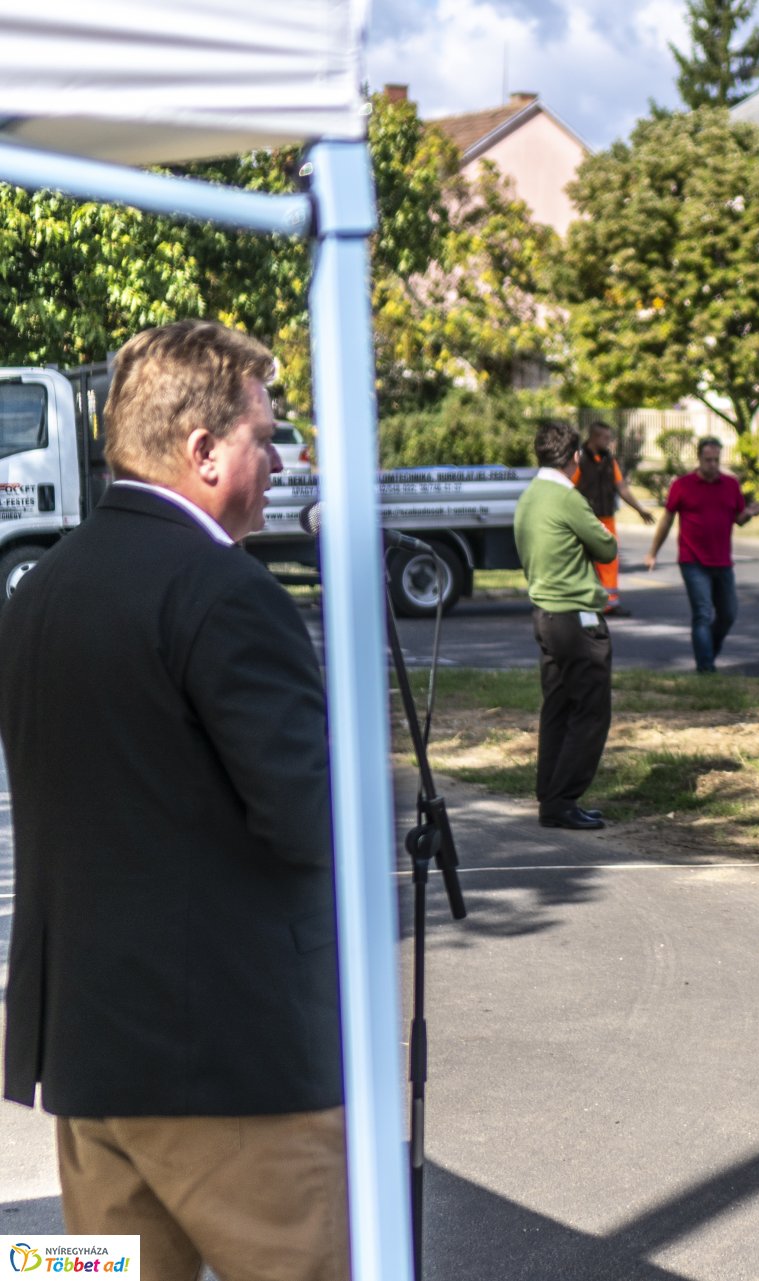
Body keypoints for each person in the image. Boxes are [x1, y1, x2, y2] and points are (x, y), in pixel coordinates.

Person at [0, 320, 347, 1281]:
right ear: (201, 452)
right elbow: (309, 820)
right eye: (264, 436)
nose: (279, 460)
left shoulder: (38, 591)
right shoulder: (225, 591)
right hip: (229, 1065)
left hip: (84, 1058)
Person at [515, 419, 620, 831]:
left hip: (544, 614)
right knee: (591, 710)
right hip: (577, 616)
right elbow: (606, 546)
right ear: (575, 458)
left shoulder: (529, 497)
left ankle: (551, 796)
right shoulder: (566, 497)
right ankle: (565, 799)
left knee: (557, 707)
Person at [645, 437, 759, 673]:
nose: (712, 464)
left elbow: (738, 519)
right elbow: (667, 520)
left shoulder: (730, 485)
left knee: (728, 614)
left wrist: (749, 512)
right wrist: (653, 552)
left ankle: (708, 650)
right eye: (708, 459)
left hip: (722, 560)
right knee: (702, 612)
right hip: (692, 560)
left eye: (716, 460)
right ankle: (706, 667)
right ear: (699, 458)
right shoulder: (682, 485)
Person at [573, 419, 654, 617]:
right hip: (585, 519)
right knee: (582, 561)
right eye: (606, 438)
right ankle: (583, 603)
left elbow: (622, 488)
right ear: (594, 437)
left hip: (606, 518)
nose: (609, 442)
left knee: (609, 560)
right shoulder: (579, 459)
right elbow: (569, 488)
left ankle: (610, 604)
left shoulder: (610, 459)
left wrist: (639, 509)